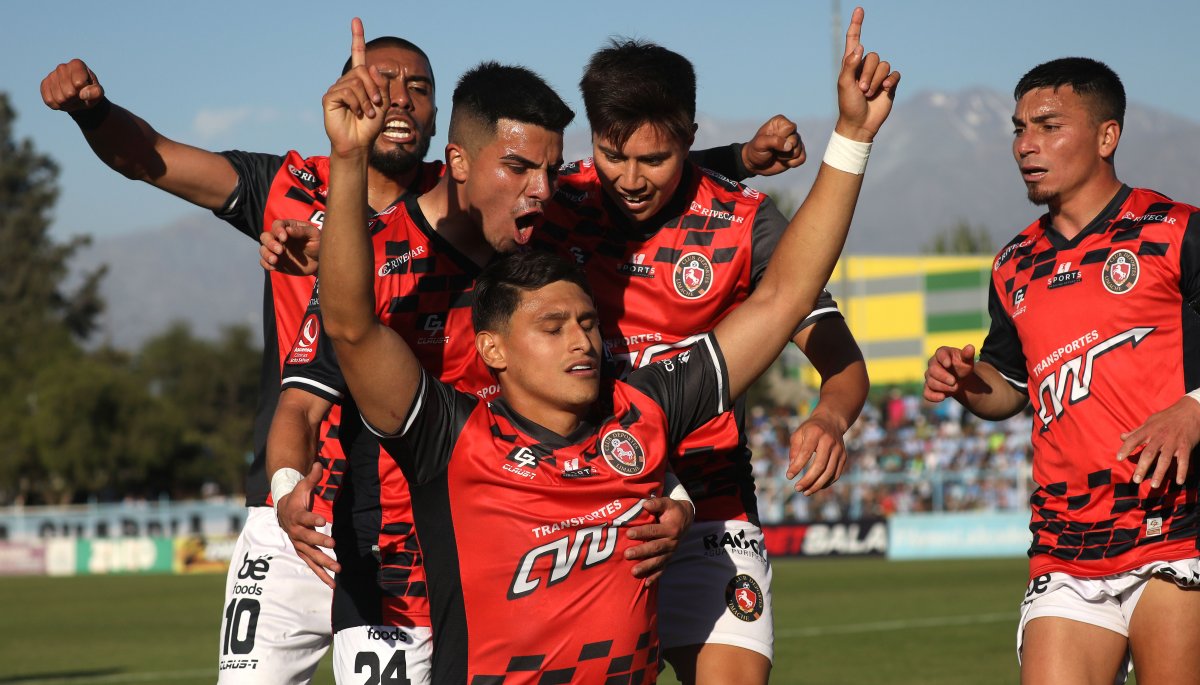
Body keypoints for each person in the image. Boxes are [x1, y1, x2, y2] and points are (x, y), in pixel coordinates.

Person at [315, 8, 896, 682]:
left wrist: (850, 136)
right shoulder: (454, 436)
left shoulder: (646, 402)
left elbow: (785, 295)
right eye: (553, 325)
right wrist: (349, 161)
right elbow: (354, 324)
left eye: (589, 320)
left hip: (701, 503)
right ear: (493, 346)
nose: (584, 339)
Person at [39, 24, 441, 681]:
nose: (400, 99)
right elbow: (154, 158)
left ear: (436, 115)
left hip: (403, 523)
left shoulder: (459, 213)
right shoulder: (287, 185)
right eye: (382, 82)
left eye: (419, 89)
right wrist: (94, 112)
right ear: (342, 92)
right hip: (284, 512)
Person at [531, 33, 870, 685]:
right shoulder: (554, 205)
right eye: (612, 154)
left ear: (688, 134)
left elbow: (841, 360)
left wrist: (830, 416)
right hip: (581, 511)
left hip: (714, 509)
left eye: (654, 158)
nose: (630, 179)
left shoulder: (745, 222)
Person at [922, 57, 1200, 684]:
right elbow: (1008, 388)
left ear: (1108, 137)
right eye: (1019, 129)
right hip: (1066, 541)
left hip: (1174, 526)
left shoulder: (1174, 232)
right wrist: (967, 383)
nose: (1026, 145)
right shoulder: (1013, 264)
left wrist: (1193, 407)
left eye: (1048, 126)